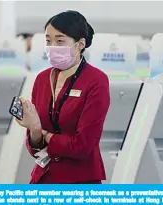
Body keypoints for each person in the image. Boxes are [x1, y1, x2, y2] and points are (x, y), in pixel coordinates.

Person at [16, 10, 110, 184]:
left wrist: (45, 135)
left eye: (60, 41)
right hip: (43, 178)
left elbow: (82, 146)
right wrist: (35, 130)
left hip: (80, 181)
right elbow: (34, 148)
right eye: (48, 40)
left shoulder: (96, 81)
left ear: (80, 44)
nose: (52, 46)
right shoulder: (42, 79)